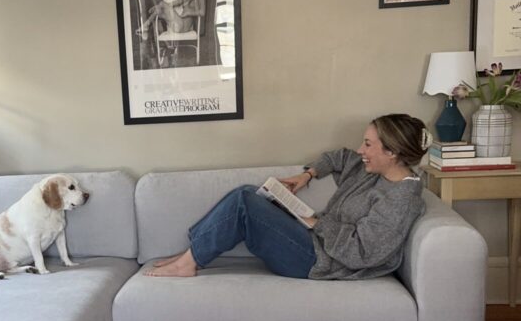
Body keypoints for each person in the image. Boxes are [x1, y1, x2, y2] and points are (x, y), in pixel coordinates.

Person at [145, 114, 429, 281]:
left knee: (244, 202)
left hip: (317, 261)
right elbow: (340, 157)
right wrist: (308, 175)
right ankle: (192, 253)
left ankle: (188, 263)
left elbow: (361, 253)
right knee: (246, 192)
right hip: (313, 241)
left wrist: (315, 222)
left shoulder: (401, 199)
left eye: (368, 144)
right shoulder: (374, 170)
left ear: (391, 152)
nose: (361, 149)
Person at [136, 0, 206, 39]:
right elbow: (170, 4)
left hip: (183, 27)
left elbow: (202, 12)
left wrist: (188, 13)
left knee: (162, 5)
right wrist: (158, 7)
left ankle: (146, 26)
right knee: (159, 10)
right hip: (177, 25)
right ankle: (146, 26)